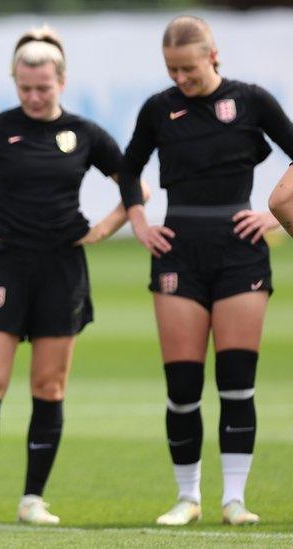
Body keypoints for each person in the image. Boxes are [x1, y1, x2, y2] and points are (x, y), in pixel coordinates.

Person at [0, 27, 138, 527]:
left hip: (62, 268)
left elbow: (135, 184)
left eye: (43, 86)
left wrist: (105, 228)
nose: (34, 96)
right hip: (4, 266)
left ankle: (33, 499)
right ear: (15, 82)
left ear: (61, 81)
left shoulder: (85, 133)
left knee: (50, 387)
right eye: (25, 87)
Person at [118, 15, 293, 526]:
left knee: (237, 383)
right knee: (183, 386)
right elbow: (129, 168)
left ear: (212, 56)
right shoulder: (159, 108)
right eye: (172, 70)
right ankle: (187, 497)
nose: (180, 80)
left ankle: (234, 499)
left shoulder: (252, 100)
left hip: (241, 251)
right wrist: (139, 224)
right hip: (178, 251)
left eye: (188, 69)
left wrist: (275, 215)